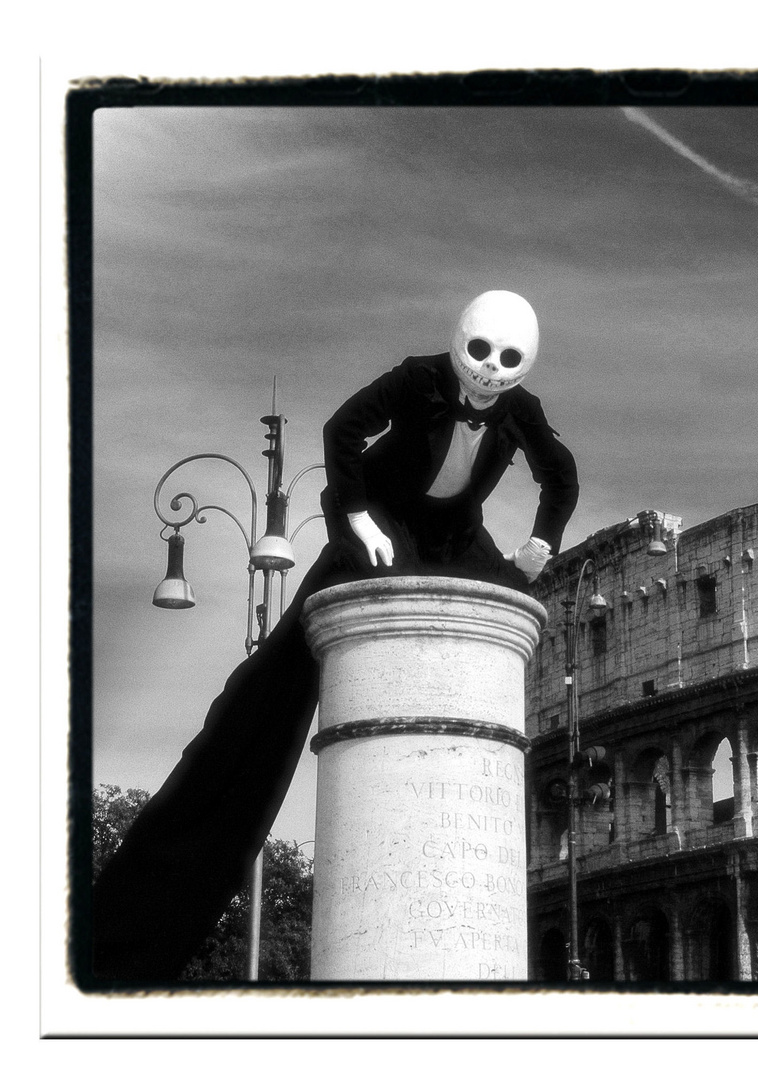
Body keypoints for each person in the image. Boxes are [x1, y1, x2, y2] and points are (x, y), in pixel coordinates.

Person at [91, 291, 578, 981]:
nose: (490, 373)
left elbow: (560, 474)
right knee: (267, 696)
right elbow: (343, 429)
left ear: (523, 367)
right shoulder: (418, 375)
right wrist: (360, 519)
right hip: (379, 525)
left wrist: (541, 542)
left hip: (453, 536)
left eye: (508, 362)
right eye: (480, 353)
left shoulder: (519, 409)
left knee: (508, 594)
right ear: (457, 341)